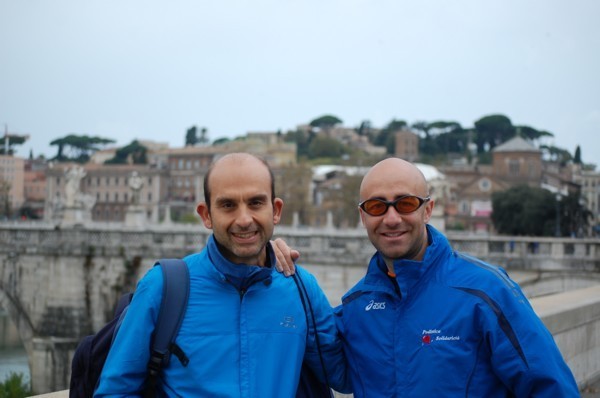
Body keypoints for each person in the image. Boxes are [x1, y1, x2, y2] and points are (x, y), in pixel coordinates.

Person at [274, 157, 579, 397]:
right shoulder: (357, 305)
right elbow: (331, 365)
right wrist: (279, 268)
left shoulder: (487, 291)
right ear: (363, 216)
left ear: (428, 209)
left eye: (405, 204)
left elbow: (550, 387)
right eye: (377, 206)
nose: (392, 218)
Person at [95, 153, 350, 397]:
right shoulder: (162, 287)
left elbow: (345, 374)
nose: (244, 219)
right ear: (206, 215)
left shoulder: (302, 289)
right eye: (228, 205)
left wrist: (387, 273)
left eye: (255, 203)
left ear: (276, 210)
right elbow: (116, 391)